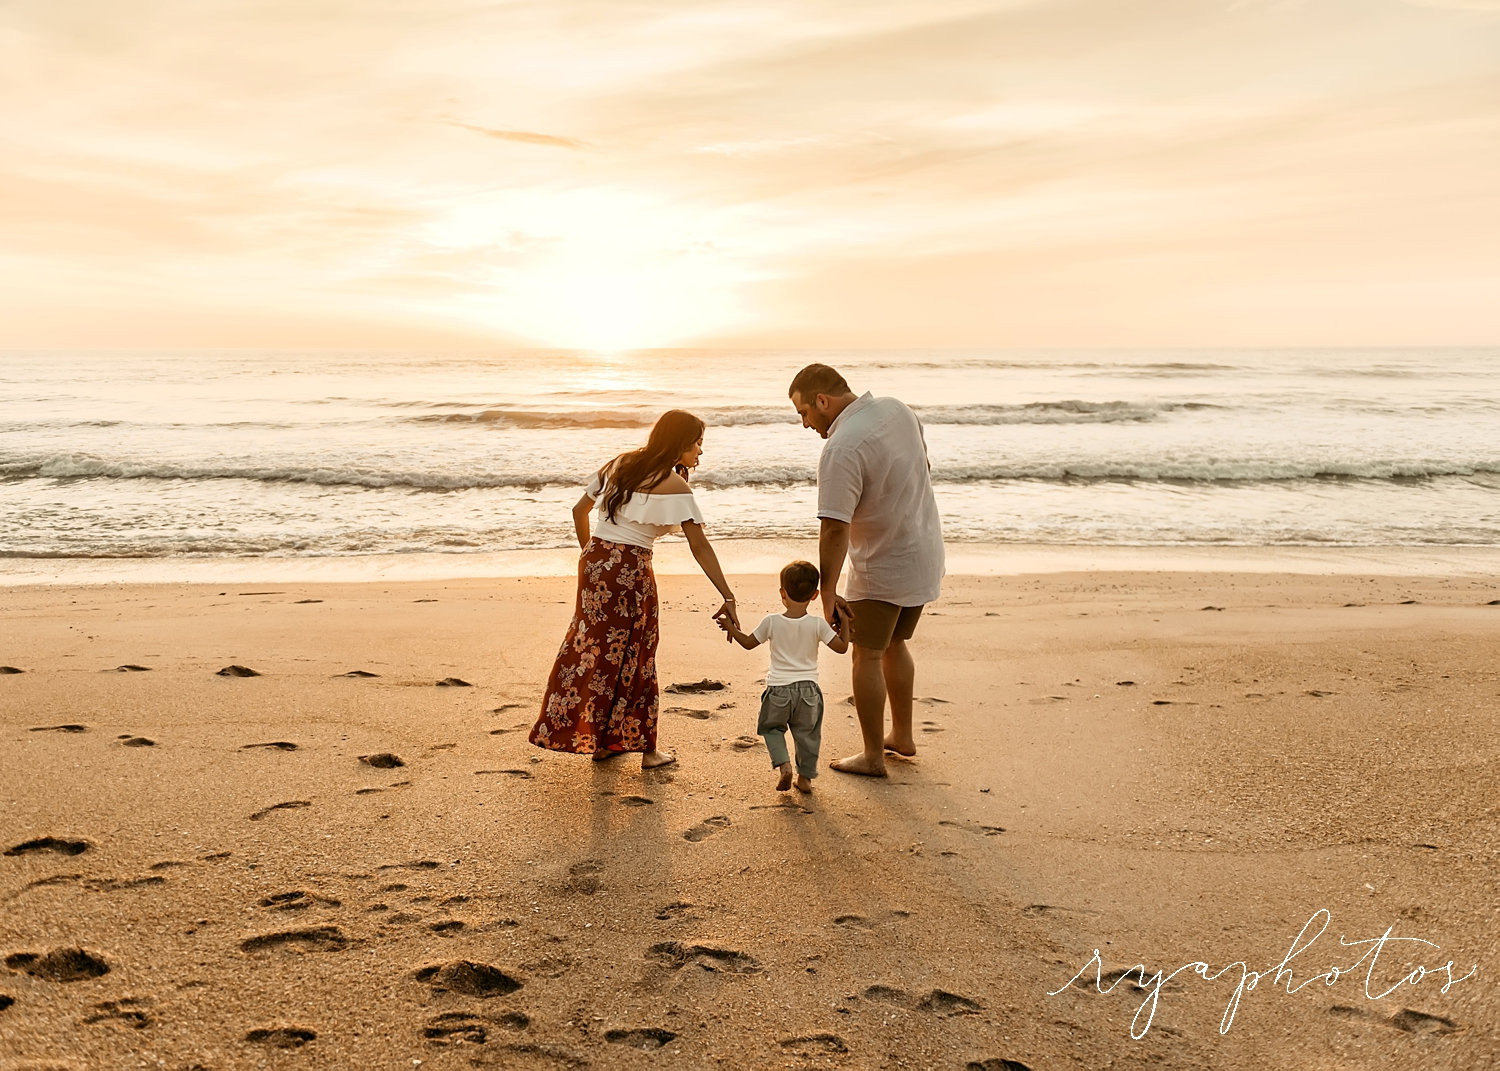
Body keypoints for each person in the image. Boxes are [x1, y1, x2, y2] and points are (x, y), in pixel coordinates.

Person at [529, 410, 739, 770]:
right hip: (630, 569)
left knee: (593, 650)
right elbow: (700, 546)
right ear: (681, 444)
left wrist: (591, 554)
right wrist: (728, 595)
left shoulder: (621, 463)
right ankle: (647, 750)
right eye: (698, 444)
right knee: (637, 654)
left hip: (594, 563)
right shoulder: (675, 485)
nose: (700, 454)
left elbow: (579, 510)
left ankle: (601, 742)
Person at [787, 364, 944, 777]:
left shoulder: (842, 447)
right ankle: (902, 736)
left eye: (804, 412)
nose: (805, 424)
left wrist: (827, 592)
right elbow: (923, 469)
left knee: (867, 655)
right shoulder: (898, 410)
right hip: (922, 551)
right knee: (895, 645)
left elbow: (834, 528)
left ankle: (873, 756)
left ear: (823, 401)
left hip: (882, 564)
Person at [717, 560, 849, 792]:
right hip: (809, 690)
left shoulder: (772, 622)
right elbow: (842, 647)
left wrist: (730, 627)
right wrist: (845, 623)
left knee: (771, 729)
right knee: (807, 735)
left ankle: (784, 766)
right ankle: (805, 778)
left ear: (782, 593)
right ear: (815, 595)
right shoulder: (817, 624)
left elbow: (748, 643)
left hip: (778, 689)